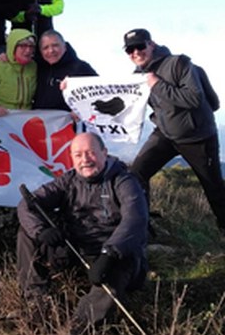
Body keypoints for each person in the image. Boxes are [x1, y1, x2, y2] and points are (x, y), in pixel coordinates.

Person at [17, 133, 148, 331]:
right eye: (78, 155)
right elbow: (26, 205)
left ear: (104, 153)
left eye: (90, 153)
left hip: (114, 256)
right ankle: (37, 303)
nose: (84, 160)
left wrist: (109, 253)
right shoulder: (67, 181)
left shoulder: (124, 181)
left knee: (113, 279)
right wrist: (41, 231)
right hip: (75, 251)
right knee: (26, 233)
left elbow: (135, 219)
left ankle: (77, 328)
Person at [123, 28, 225, 232]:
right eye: (130, 50)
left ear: (151, 44)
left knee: (213, 186)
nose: (136, 52)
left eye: (140, 46)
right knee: (136, 174)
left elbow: (195, 98)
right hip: (165, 134)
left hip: (198, 137)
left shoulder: (179, 64)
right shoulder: (138, 75)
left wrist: (157, 85)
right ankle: (142, 226)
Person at [32, 30, 96, 111]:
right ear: (41, 52)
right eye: (45, 48)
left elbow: (101, 96)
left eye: (55, 45)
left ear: (65, 46)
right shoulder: (37, 69)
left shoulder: (81, 67)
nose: (51, 50)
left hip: (71, 122)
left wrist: (82, 111)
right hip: (40, 121)